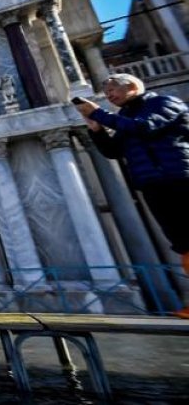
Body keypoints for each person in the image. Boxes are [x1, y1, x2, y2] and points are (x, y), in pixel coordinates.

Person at [78, 73, 189, 319]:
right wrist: (97, 130)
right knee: (182, 241)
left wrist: (99, 113)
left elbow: (145, 127)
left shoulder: (164, 103)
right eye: (106, 94)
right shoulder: (125, 117)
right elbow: (113, 151)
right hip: (152, 183)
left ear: (131, 86)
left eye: (112, 92)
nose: (109, 97)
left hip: (179, 176)